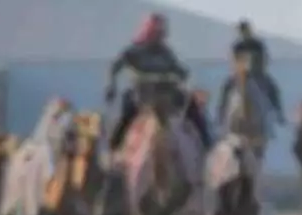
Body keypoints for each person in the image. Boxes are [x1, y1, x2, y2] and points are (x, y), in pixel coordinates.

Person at [105, 13, 213, 151]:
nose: (158, 36)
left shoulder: (166, 52)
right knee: (126, 111)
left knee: (192, 105)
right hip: (142, 95)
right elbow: (115, 67)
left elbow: (179, 70)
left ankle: (206, 142)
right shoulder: (134, 51)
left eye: (161, 32)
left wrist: (183, 73)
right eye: (156, 32)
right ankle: (114, 147)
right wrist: (111, 84)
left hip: (167, 96)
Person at [224, 20, 286, 126]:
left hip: (257, 72)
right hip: (241, 74)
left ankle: (278, 112)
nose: (244, 33)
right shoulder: (237, 46)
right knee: (227, 87)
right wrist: (238, 70)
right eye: (242, 31)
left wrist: (258, 68)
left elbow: (264, 59)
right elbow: (233, 61)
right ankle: (222, 113)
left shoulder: (257, 45)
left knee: (272, 87)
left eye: (245, 30)